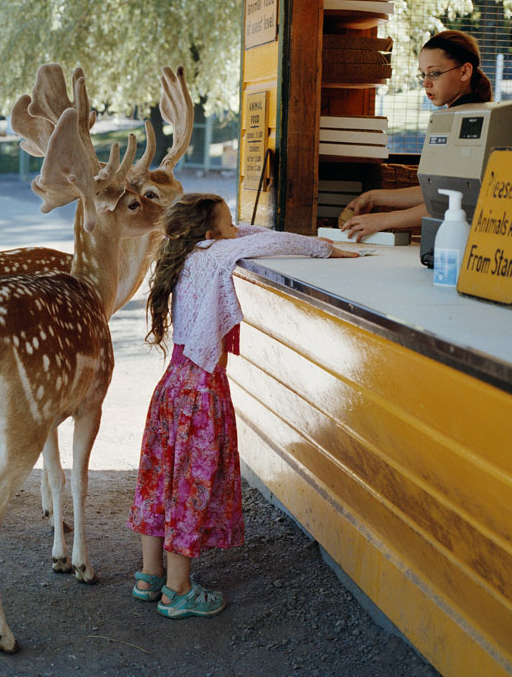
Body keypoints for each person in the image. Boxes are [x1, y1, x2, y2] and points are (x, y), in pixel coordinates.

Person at [129, 193, 359, 618]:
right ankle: (178, 590)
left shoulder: (191, 251)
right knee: (189, 486)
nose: (239, 227)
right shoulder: (220, 253)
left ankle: (150, 576)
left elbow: (253, 234)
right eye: (230, 221)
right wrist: (329, 249)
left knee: (161, 477)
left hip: (173, 385)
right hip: (201, 392)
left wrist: (230, 228)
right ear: (213, 235)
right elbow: (274, 242)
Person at [341, 30, 493, 241]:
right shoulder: (451, 118)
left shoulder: (476, 121)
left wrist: (383, 220)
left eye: (435, 73)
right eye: (423, 75)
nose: (426, 83)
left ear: (465, 71)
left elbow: (461, 200)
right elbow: (439, 192)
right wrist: (374, 196)